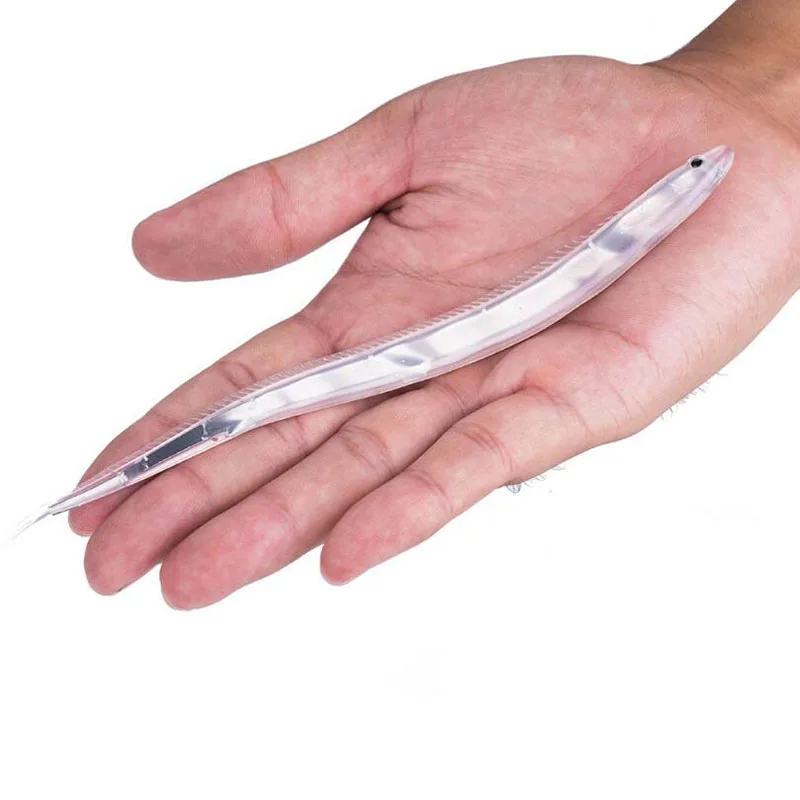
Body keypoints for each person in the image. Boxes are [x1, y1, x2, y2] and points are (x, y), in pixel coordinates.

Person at [72, 0, 800, 608]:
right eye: (697, 166)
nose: (704, 167)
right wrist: (743, 82)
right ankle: (137, 468)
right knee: (240, 425)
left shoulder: (699, 180)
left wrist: (757, 105)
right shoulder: (687, 177)